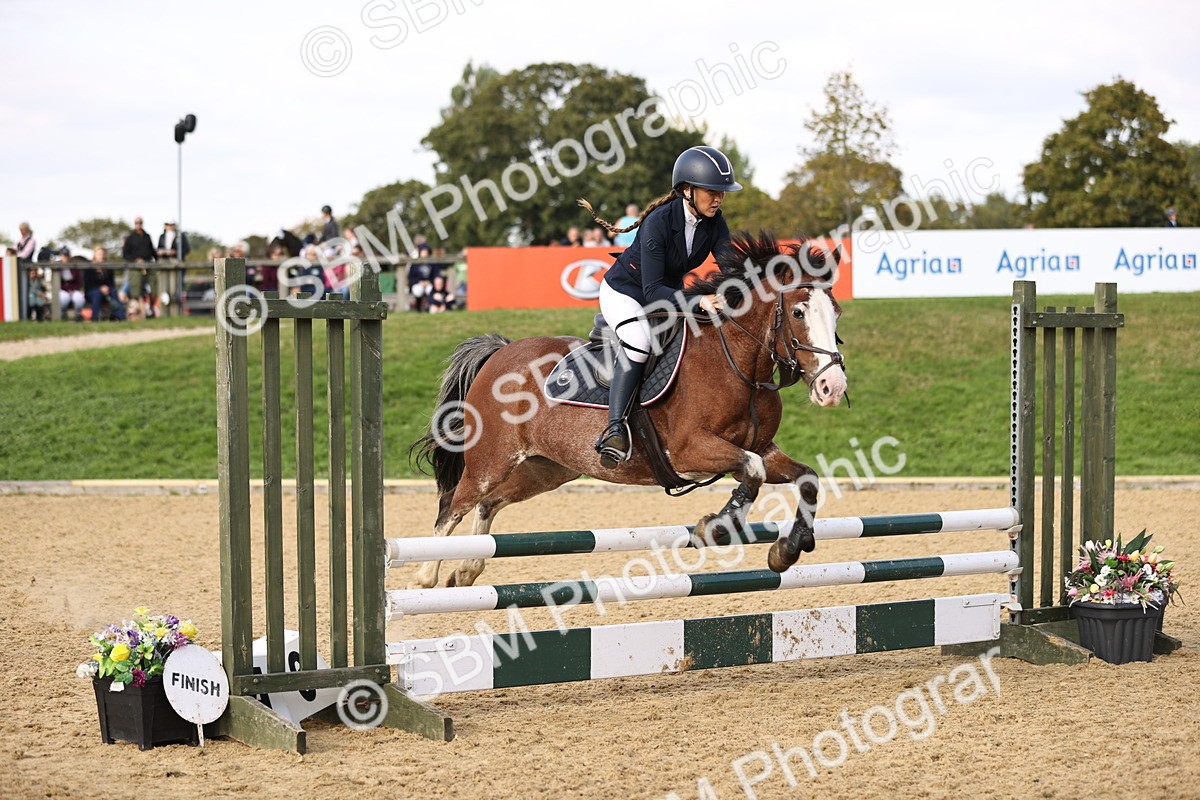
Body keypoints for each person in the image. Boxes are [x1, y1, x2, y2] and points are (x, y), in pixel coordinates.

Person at [578, 145, 741, 468]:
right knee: (639, 342)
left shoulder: (715, 223)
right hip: (626, 293)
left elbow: (732, 268)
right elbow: (651, 291)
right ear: (686, 190)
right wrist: (698, 300)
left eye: (722, 192)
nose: (719, 198)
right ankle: (615, 430)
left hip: (667, 292)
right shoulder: (658, 222)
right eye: (712, 191)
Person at [84, 246, 127, 321]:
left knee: (113, 292)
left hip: (107, 291)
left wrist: (107, 288)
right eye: (99, 254)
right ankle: (95, 318)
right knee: (97, 293)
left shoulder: (108, 268)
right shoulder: (89, 268)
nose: (101, 256)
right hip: (92, 291)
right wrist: (100, 288)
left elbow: (111, 283)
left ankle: (121, 317)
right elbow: (88, 285)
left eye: (102, 254)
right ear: (95, 255)